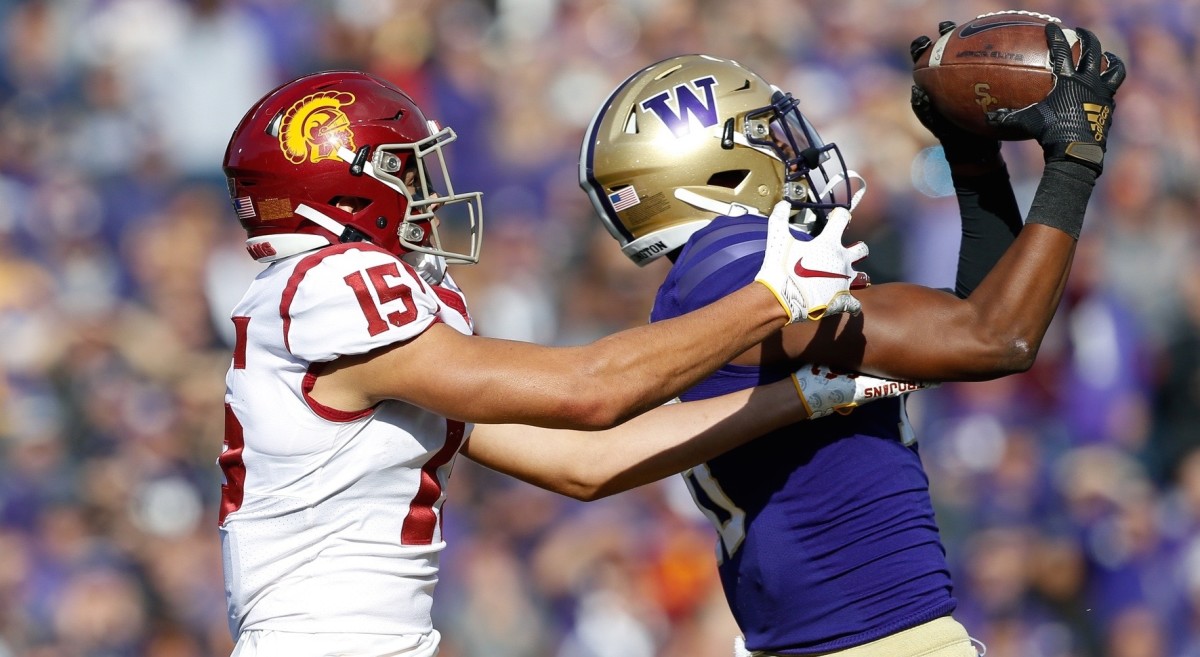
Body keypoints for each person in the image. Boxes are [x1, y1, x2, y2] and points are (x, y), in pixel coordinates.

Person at [218, 69, 925, 657]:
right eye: (405, 170)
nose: (426, 194)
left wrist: (810, 394)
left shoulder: (339, 320)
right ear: (344, 187)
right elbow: (588, 393)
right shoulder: (327, 282)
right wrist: (776, 294)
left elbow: (585, 461)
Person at [578, 20, 1124, 657]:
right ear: (715, 169)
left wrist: (973, 162)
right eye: (764, 137)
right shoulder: (731, 268)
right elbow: (997, 337)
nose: (793, 152)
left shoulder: (710, 278)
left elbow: (971, 327)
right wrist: (1074, 160)